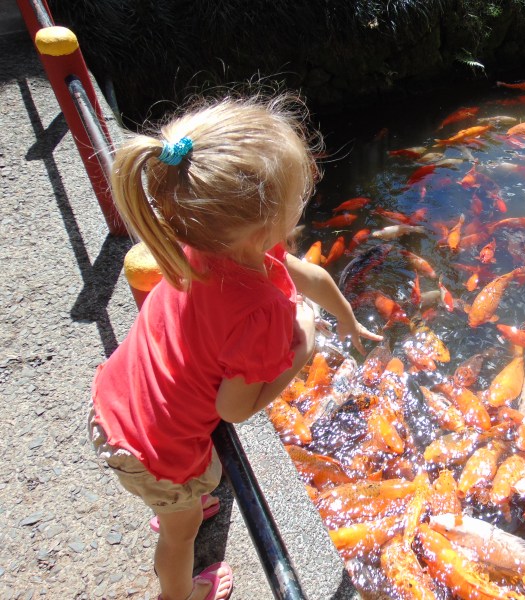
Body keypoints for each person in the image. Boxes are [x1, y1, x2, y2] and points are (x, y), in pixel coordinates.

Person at [88, 95, 381, 600]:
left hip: (117, 396)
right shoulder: (258, 309)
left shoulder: (203, 239)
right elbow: (233, 407)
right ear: (269, 223)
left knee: (192, 493)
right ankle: (180, 591)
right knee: (180, 534)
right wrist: (303, 349)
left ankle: (179, 502)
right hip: (151, 446)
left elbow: (305, 274)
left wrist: (348, 317)